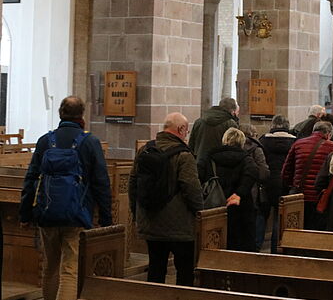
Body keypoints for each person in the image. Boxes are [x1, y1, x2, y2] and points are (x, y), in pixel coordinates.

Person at [19, 96, 112, 300]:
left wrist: (25, 214)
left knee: (50, 267)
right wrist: (106, 220)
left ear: (60, 114)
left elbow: (31, 179)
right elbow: (101, 183)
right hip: (76, 215)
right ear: (82, 115)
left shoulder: (46, 140)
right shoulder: (90, 142)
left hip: (47, 212)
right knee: (69, 269)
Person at [129, 113, 202, 285]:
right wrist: (200, 212)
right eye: (187, 130)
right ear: (181, 129)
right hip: (180, 226)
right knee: (184, 271)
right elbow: (191, 188)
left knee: (156, 268)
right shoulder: (184, 155)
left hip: (150, 221)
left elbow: (133, 184)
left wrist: (137, 212)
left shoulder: (144, 150)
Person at [202, 128, 258, 251]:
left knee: (216, 245)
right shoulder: (246, 159)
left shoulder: (210, 157)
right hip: (240, 208)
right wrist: (239, 193)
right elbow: (253, 173)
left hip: (215, 207)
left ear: (224, 140)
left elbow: (201, 176)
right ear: (241, 142)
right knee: (241, 246)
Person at [281, 121, 333, 230]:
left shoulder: (298, 144)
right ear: (329, 134)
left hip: (298, 195)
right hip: (318, 196)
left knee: (296, 229)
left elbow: (286, 169)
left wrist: (291, 186)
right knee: (315, 230)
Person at [258, 115, 295, 252]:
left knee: (262, 215)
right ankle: (276, 249)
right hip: (286, 183)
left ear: (272, 125)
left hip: (267, 183)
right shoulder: (295, 142)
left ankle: (256, 248)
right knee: (278, 218)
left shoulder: (262, 141)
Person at [190, 97, 239, 180]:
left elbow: (191, 145)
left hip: (200, 165)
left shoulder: (199, 121)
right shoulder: (230, 124)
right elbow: (234, 149)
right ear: (232, 111)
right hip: (221, 168)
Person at [239, 124, 270, 251]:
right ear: (252, 135)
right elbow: (263, 173)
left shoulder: (234, 147)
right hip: (252, 192)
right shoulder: (256, 149)